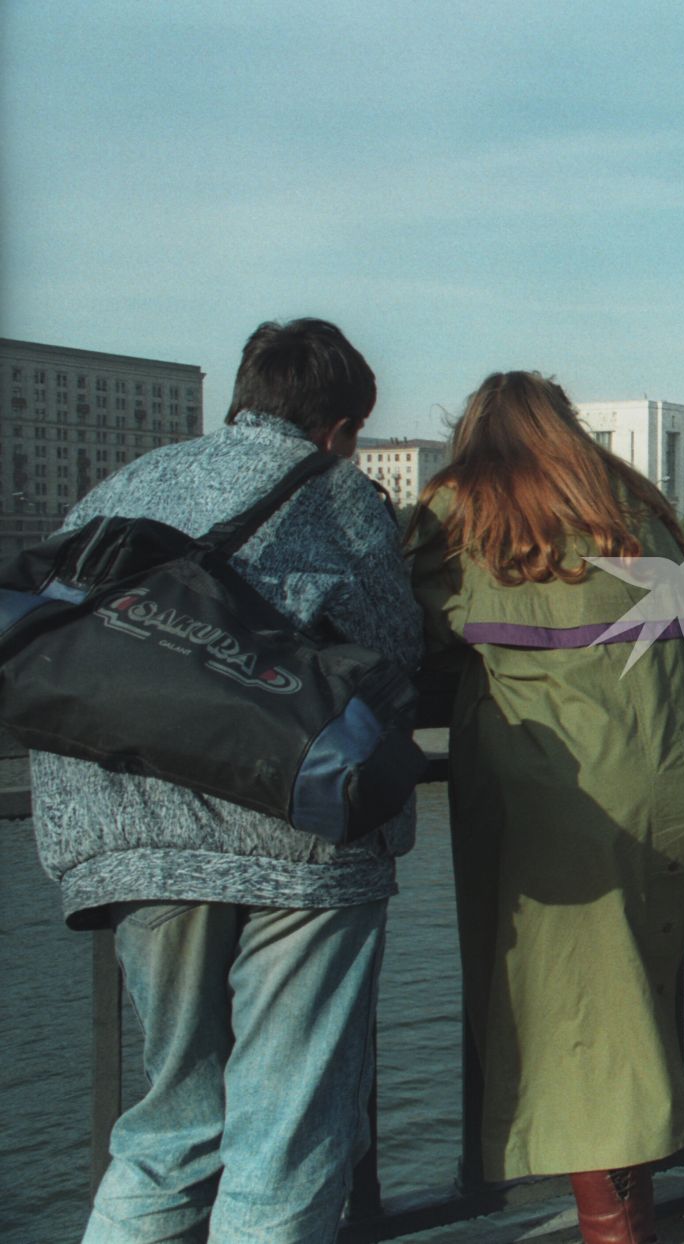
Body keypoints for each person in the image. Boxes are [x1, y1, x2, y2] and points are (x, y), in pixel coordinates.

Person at [31, 319, 418, 1242]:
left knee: (171, 1127)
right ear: (338, 428)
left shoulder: (119, 485)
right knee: (284, 1133)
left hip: (122, 829)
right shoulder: (337, 493)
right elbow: (393, 662)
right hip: (295, 837)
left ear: (243, 398)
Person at [406, 372, 684, 1244]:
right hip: (678, 782)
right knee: (637, 1004)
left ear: (473, 431)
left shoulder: (463, 507)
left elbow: (408, 625)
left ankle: (610, 1232)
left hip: (566, 802)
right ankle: (635, 1218)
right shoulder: (631, 506)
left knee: (579, 1028)